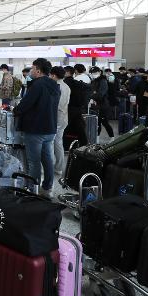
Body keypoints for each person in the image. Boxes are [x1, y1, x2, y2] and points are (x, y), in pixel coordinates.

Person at [13, 58, 60, 196]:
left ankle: (32, 189)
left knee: (34, 162)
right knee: (47, 160)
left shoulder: (37, 85)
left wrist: (15, 110)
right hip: (50, 128)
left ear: (38, 71)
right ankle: (48, 188)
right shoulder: (54, 85)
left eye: (32, 68)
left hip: (35, 129)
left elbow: (26, 104)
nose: (30, 71)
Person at [51, 66, 71, 176]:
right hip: (63, 118)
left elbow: (57, 105)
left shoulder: (57, 86)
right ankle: (58, 167)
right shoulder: (66, 86)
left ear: (54, 75)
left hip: (56, 118)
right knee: (58, 142)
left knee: (52, 143)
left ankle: (54, 167)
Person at [64, 65, 89, 146]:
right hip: (78, 108)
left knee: (65, 128)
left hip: (69, 108)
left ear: (67, 72)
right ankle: (84, 144)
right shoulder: (78, 82)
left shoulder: (65, 83)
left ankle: (66, 145)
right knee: (80, 127)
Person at [90, 67, 114, 138]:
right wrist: (93, 94)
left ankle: (112, 138)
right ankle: (97, 139)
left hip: (103, 105)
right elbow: (93, 91)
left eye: (95, 73)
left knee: (105, 122)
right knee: (98, 123)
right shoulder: (94, 81)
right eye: (92, 73)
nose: (93, 74)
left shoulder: (103, 81)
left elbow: (100, 94)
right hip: (96, 105)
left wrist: (92, 95)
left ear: (100, 72)